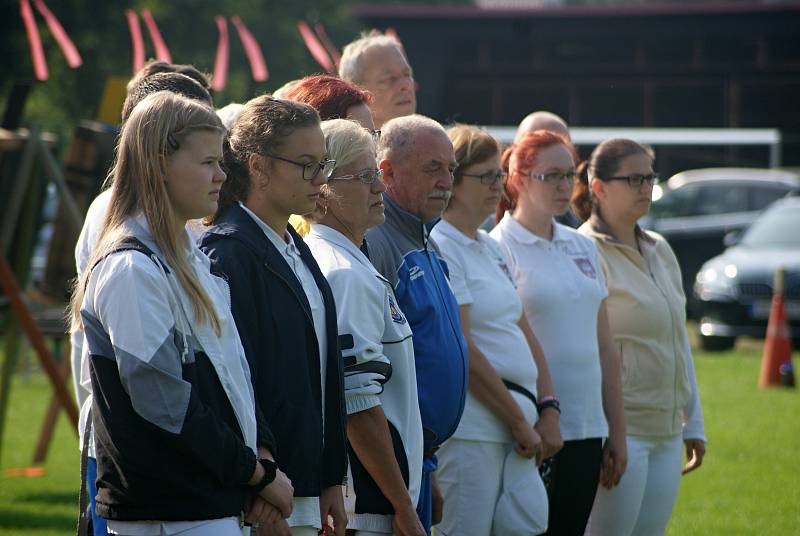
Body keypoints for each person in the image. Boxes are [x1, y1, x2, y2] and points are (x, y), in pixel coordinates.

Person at [69, 91, 293, 535]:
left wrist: (260, 456)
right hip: (169, 516)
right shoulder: (131, 268)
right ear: (158, 164)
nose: (221, 175)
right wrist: (256, 474)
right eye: (208, 162)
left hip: (207, 507)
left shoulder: (189, 257)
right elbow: (163, 402)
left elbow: (232, 378)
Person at [71, 68, 215, 536]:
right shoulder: (121, 233)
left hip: (179, 461)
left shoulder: (184, 231)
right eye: (204, 158)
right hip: (125, 448)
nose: (219, 172)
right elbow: (154, 388)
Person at [199, 96, 348, 536]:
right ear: (259, 166)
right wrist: (261, 484)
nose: (321, 178)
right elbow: (234, 382)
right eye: (306, 164)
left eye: (323, 163)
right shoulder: (227, 252)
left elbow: (322, 370)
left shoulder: (293, 245)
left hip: (304, 489)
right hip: (268, 496)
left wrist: (330, 478)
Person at [490, 130, 627, 536]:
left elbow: (605, 346)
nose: (564, 186)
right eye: (551, 175)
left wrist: (616, 431)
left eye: (570, 175)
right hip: (535, 428)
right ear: (518, 178)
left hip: (588, 426)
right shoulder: (501, 246)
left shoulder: (582, 245)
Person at [430, 125, 563, 535]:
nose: (497, 186)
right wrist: (519, 420)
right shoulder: (441, 244)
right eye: (485, 176)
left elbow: (522, 330)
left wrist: (548, 407)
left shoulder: (490, 245)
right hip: (475, 433)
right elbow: (463, 347)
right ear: (452, 180)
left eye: (499, 175)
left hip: (519, 428)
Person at [573, 139, 706, 536]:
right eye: (633, 179)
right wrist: (610, 434)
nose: (646, 188)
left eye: (649, 177)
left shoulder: (660, 249)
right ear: (598, 187)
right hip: (618, 433)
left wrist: (693, 423)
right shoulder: (581, 251)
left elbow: (677, 340)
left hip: (667, 431)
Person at [303, 119, 425, 536]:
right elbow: (358, 408)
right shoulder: (343, 273)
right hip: (368, 512)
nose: (379, 188)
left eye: (377, 174)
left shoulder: (349, 261)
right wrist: (404, 505)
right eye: (365, 177)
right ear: (323, 190)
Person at [364, 114, 468, 534]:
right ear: (386, 171)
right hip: (387, 467)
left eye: (451, 169)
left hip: (420, 460)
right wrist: (399, 493)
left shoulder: (426, 236)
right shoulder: (376, 241)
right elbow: (363, 384)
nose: (446, 181)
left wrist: (431, 469)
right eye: (432, 168)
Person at [282, 74, 377, 237]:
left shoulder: (359, 218)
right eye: (359, 135)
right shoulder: (303, 234)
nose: (373, 149)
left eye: (373, 135)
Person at [339, 31, 416, 129]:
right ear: (355, 89)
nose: (405, 86)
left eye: (407, 74)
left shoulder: (434, 140)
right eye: (390, 79)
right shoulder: (333, 143)